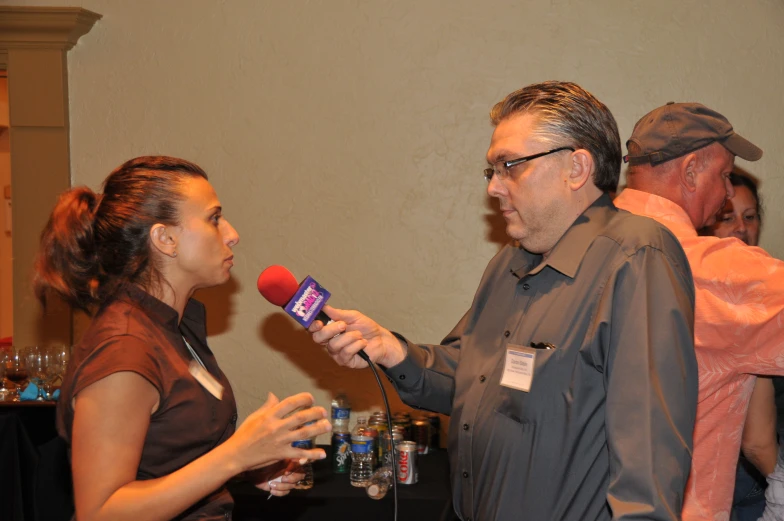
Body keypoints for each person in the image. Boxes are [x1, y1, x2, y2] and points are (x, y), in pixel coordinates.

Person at [310, 81, 698, 520]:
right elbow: (471, 380)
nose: (494, 187)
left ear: (576, 167)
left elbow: (648, 461)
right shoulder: (509, 264)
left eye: (510, 165)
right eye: (492, 171)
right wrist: (393, 351)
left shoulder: (636, 256)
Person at [34, 156, 332, 521]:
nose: (232, 233)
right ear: (165, 239)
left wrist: (252, 464)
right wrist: (236, 454)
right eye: (214, 218)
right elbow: (102, 512)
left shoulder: (172, 324)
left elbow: (170, 457)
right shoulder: (124, 350)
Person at [612, 102, 784, 521]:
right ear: (690, 171)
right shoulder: (720, 272)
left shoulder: (577, 246)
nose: (728, 192)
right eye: (725, 175)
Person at [704, 172, 776, 521]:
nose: (741, 229)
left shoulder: (769, 289)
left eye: (749, 217)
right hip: (742, 478)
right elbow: (756, 440)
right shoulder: (716, 301)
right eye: (727, 217)